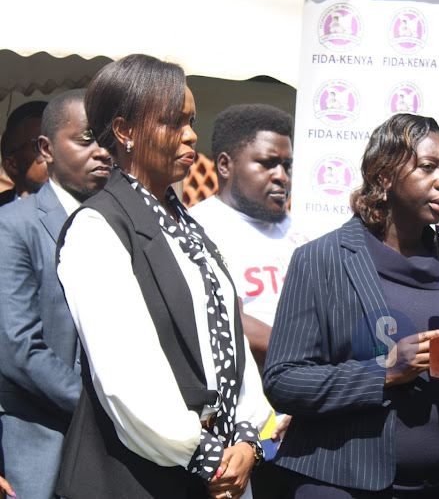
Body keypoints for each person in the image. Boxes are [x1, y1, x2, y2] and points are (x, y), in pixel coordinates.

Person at [55, 54, 270, 498]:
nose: (191, 135)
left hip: (216, 470)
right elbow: (126, 376)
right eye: (174, 121)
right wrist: (207, 458)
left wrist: (247, 436)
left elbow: (228, 341)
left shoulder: (187, 227)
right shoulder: (98, 228)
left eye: (191, 120)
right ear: (125, 131)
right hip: (139, 479)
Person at [263, 113, 439, 497]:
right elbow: (283, 379)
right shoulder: (323, 259)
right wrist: (383, 372)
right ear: (384, 175)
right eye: (428, 167)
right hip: (344, 484)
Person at [0, 89, 111, 499]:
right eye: (86, 139)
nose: (102, 152)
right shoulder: (13, 226)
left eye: (108, 140)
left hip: (116, 457)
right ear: (45, 149)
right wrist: (108, 410)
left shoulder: (124, 229)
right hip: (40, 447)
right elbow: (19, 348)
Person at [189, 103, 301, 498]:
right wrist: (302, 356)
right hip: (240, 431)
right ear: (225, 164)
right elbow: (225, 318)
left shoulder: (302, 230)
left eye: (287, 165)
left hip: (303, 418)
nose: (281, 176)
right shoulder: (198, 228)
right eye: (268, 163)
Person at [0, 101, 49, 206]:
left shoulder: (86, 207)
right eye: (39, 144)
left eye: (56, 142)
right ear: (11, 165)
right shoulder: (3, 212)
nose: (52, 152)